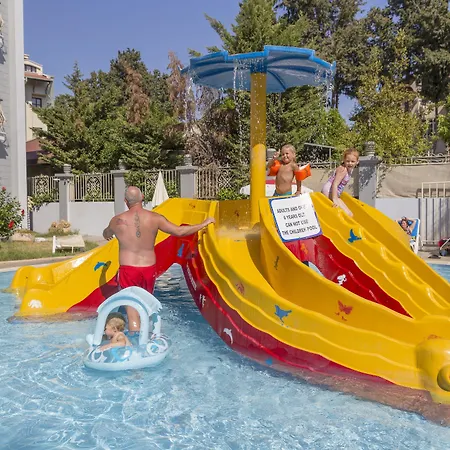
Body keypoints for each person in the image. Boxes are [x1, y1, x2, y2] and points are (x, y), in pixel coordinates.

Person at [103, 186, 215, 332]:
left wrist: (107, 234)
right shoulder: (155, 218)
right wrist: (204, 223)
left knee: (132, 312)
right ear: (143, 197)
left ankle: (135, 341)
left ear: (125, 201)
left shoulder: (117, 220)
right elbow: (179, 231)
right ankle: (148, 336)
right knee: (145, 307)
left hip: (128, 270)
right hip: (148, 269)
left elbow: (107, 233)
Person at [321, 148, 359, 216]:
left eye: (352, 161)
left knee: (349, 214)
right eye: (348, 161)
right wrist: (335, 199)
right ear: (344, 160)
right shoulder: (343, 170)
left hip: (333, 192)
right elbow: (335, 184)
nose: (350, 163)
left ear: (357, 162)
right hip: (329, 191)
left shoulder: (349, 170)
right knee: (348, 214)